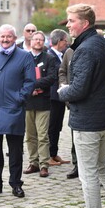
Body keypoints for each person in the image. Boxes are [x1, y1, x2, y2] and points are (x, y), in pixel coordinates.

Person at [58, 4, 105, 208]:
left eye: (71, 20)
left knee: (88, 174)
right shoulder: (102, 44)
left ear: (84, 23)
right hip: (103, 118)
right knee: (102, 167)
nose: (68, 25)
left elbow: (80, 89)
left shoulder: (86, 49)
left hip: (88, 122)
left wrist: (63, 92)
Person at [0, 24, 35, 198]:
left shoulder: (25, 57)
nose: (5, 39)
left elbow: (30, 82)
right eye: (2, 36)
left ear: (14, 38)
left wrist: (18, 99)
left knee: (15, 149)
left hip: (13, 108)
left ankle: (16, 183)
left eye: (8, 36)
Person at [23, 31, 56, 177]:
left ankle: (44, 164)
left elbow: (51, 78)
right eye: (35, 39)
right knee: (30, 135)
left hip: (43, 102)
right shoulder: (24, 58)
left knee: (43, 135)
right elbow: (19, 78)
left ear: (44, 42)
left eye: (41, 40)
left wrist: (34, 85)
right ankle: (33, 163)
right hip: (28, 102)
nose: (38, 42)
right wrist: (30, 90)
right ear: (30, 41)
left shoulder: (49, 58)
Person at [47, 29, 71, 166]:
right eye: (65, 41)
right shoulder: (50, 55)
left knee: (57, 126)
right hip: (52, 96)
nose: (66, 43)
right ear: (59, 41)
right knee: (51, 127)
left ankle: (54, 153)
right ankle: (49, 155)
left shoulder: (61, 55)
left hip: (60, 96)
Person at [58, 47, 78, 179]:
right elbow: (62, 71)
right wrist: (64, 86)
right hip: (72, 101)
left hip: (89, 101)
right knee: (74, 135)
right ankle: (77, 165)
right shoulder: (69, 52)